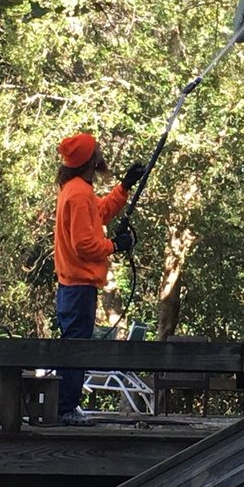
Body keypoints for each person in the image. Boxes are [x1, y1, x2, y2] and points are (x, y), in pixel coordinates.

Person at [54, 131, 145, 426]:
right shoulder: (79, 194)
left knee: (74, 343)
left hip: (76, 285)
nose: (102, 154)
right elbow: (85, 245)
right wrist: (115, 246)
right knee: (76, 347)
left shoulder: (77, 189)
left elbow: (100, 213)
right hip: (78, 284)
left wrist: (124, 187)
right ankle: (65, 408)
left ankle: (66, 405)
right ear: (90, 160)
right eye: (98, 150)